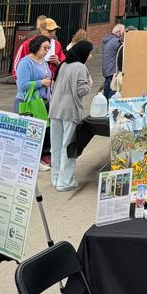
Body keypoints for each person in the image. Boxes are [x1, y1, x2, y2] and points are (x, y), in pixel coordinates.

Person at [48, 40, 92, 191]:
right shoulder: (80, 68)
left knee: (56, 146)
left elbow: (54, 84)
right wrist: (89, 84)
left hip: (55, 109)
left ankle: (55, 178)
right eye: (89, 52)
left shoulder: (63, 64)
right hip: (70, 111)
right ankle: (65, 182)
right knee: (68, 146)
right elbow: (82, 90)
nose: (90, 55)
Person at [15, 34, 53, 170]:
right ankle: (31, 160)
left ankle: (43, 156)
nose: (46, 50)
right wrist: (40, 82)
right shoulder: (25, 63)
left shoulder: (43, 62)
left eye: (48, 48)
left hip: (42, 101)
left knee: (44, 131)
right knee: (31, 132)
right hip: (29, 102)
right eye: (44, 47)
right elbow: (23, 85)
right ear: (36, 47)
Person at [101, 23, 124, 99]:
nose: (124, 35)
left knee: (106, 92)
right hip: (112, 72)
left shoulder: (108, 39)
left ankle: (105, 108)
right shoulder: (116, 41)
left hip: (107, 70)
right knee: (112, 94)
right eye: (123, 32)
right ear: (119, 32)